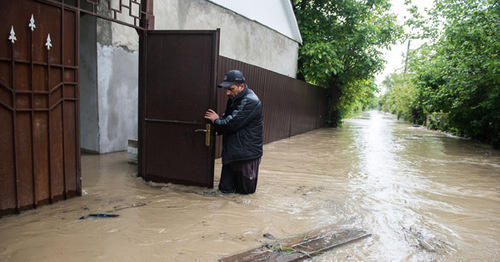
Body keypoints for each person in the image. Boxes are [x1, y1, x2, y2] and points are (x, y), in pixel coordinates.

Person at [204, 70, 263, 194]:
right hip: (232, 154)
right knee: (225, 192)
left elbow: (231, 124)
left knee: (244, 196)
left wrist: (216, 121)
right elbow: (226, 118)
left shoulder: (250, 101)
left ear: (241, 86)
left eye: (231, 89)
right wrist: (219, 126)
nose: (227, 92)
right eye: (226, 89)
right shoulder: (234, 98)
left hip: (246, 156)